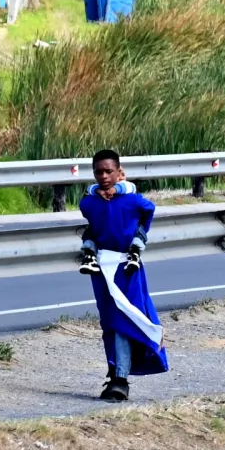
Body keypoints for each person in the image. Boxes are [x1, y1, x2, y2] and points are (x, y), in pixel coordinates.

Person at [77, 149, 169, 401]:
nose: (104, 176)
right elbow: (90, 212)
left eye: (109, 171)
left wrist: (138, 235)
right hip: (101, 269)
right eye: (99, 172)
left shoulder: (132, 201)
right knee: (109, 320)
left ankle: (120, 378)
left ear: (119, 172)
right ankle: (114, 372)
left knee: (126, 316)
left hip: (127, 266)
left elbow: (148, 209)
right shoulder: (90, 203)